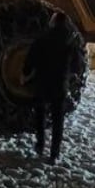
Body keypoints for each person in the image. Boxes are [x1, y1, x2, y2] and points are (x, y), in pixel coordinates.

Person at [22, 11, 72, 164]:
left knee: (40, 115)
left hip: (42, 83)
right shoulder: (70, 41)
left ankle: (40, 144)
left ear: (54, 22)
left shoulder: (42, 39)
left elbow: (31, 59)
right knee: (58, 121)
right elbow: (76, 64)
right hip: (59, 85)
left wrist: (25, 73)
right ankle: (54, 154)